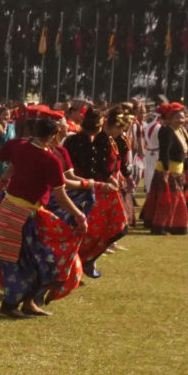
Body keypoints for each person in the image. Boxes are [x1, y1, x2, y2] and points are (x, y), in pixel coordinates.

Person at [0, 106, 87, 317]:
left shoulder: (17, 145)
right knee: (36, 262)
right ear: (53, 136)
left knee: (17, 260)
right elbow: (61, 196)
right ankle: (9, 306)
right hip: (25, 216)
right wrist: (79, 214)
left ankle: (28, 303)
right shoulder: (50, 160)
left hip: (7, 210)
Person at [61, 106, 128, 277]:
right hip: (80, 189)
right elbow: (76, 169)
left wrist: (110, 178)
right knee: (81, 230)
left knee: (94, 228)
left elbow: (104, 166)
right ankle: (77, 263)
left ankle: (87, 260)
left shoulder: (97, 141)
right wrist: (100, 182)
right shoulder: (77, 141)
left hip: (89, 189)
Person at [141, 102, 188, 235]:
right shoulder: (166, 131)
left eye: (182, 117)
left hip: (177, 170)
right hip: (168, 170)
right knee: (168, 200)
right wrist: (166, 171)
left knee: (171, 199)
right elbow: (165, 152)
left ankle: (169, 224)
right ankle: (160, 226)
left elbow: (183, 152)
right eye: (177, 118)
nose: (181, 120)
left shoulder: (179, 130)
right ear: (169, 118)